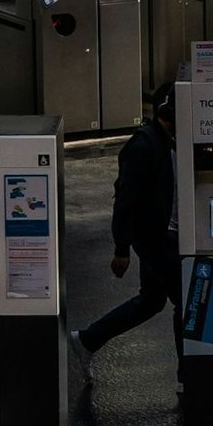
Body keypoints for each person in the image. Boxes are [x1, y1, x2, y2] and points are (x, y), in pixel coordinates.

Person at [70, 84, 181, 389]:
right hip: (155, 239)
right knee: (186, 302)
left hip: (164, 234)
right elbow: (125, 199)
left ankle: (88, 340)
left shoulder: (170, 141)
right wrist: (122, 247)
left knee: (151, 301)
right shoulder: (143, 146)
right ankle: (187, 377)